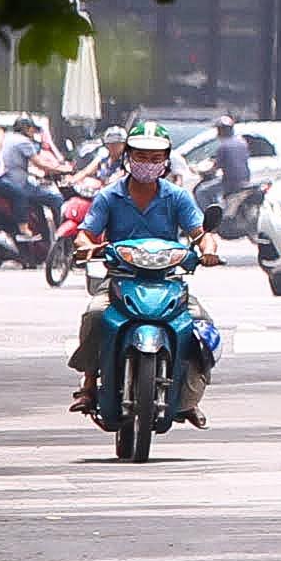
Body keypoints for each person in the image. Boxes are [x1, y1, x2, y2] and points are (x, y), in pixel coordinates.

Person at [65, 129, 221, 422]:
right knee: (95, 314)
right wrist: (88, 247)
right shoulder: (109, 196)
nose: (147, 164)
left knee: (202, 326)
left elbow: (201, 234)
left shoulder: (177, 197)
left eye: (155, 158)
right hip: (120, 280)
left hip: (169, 282)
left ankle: (188, 397)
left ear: (165, 161)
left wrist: (209, 249)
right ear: (128, 158)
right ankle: (88, 384)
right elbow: (85, 235)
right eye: (140, 157)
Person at [208, 115, 257, 226]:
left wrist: (208, 170)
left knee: (202, 191)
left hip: (230, 182)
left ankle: (211, 220)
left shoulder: (223, 147)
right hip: (245, 179)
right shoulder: (242, 143)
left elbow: (216, 167)